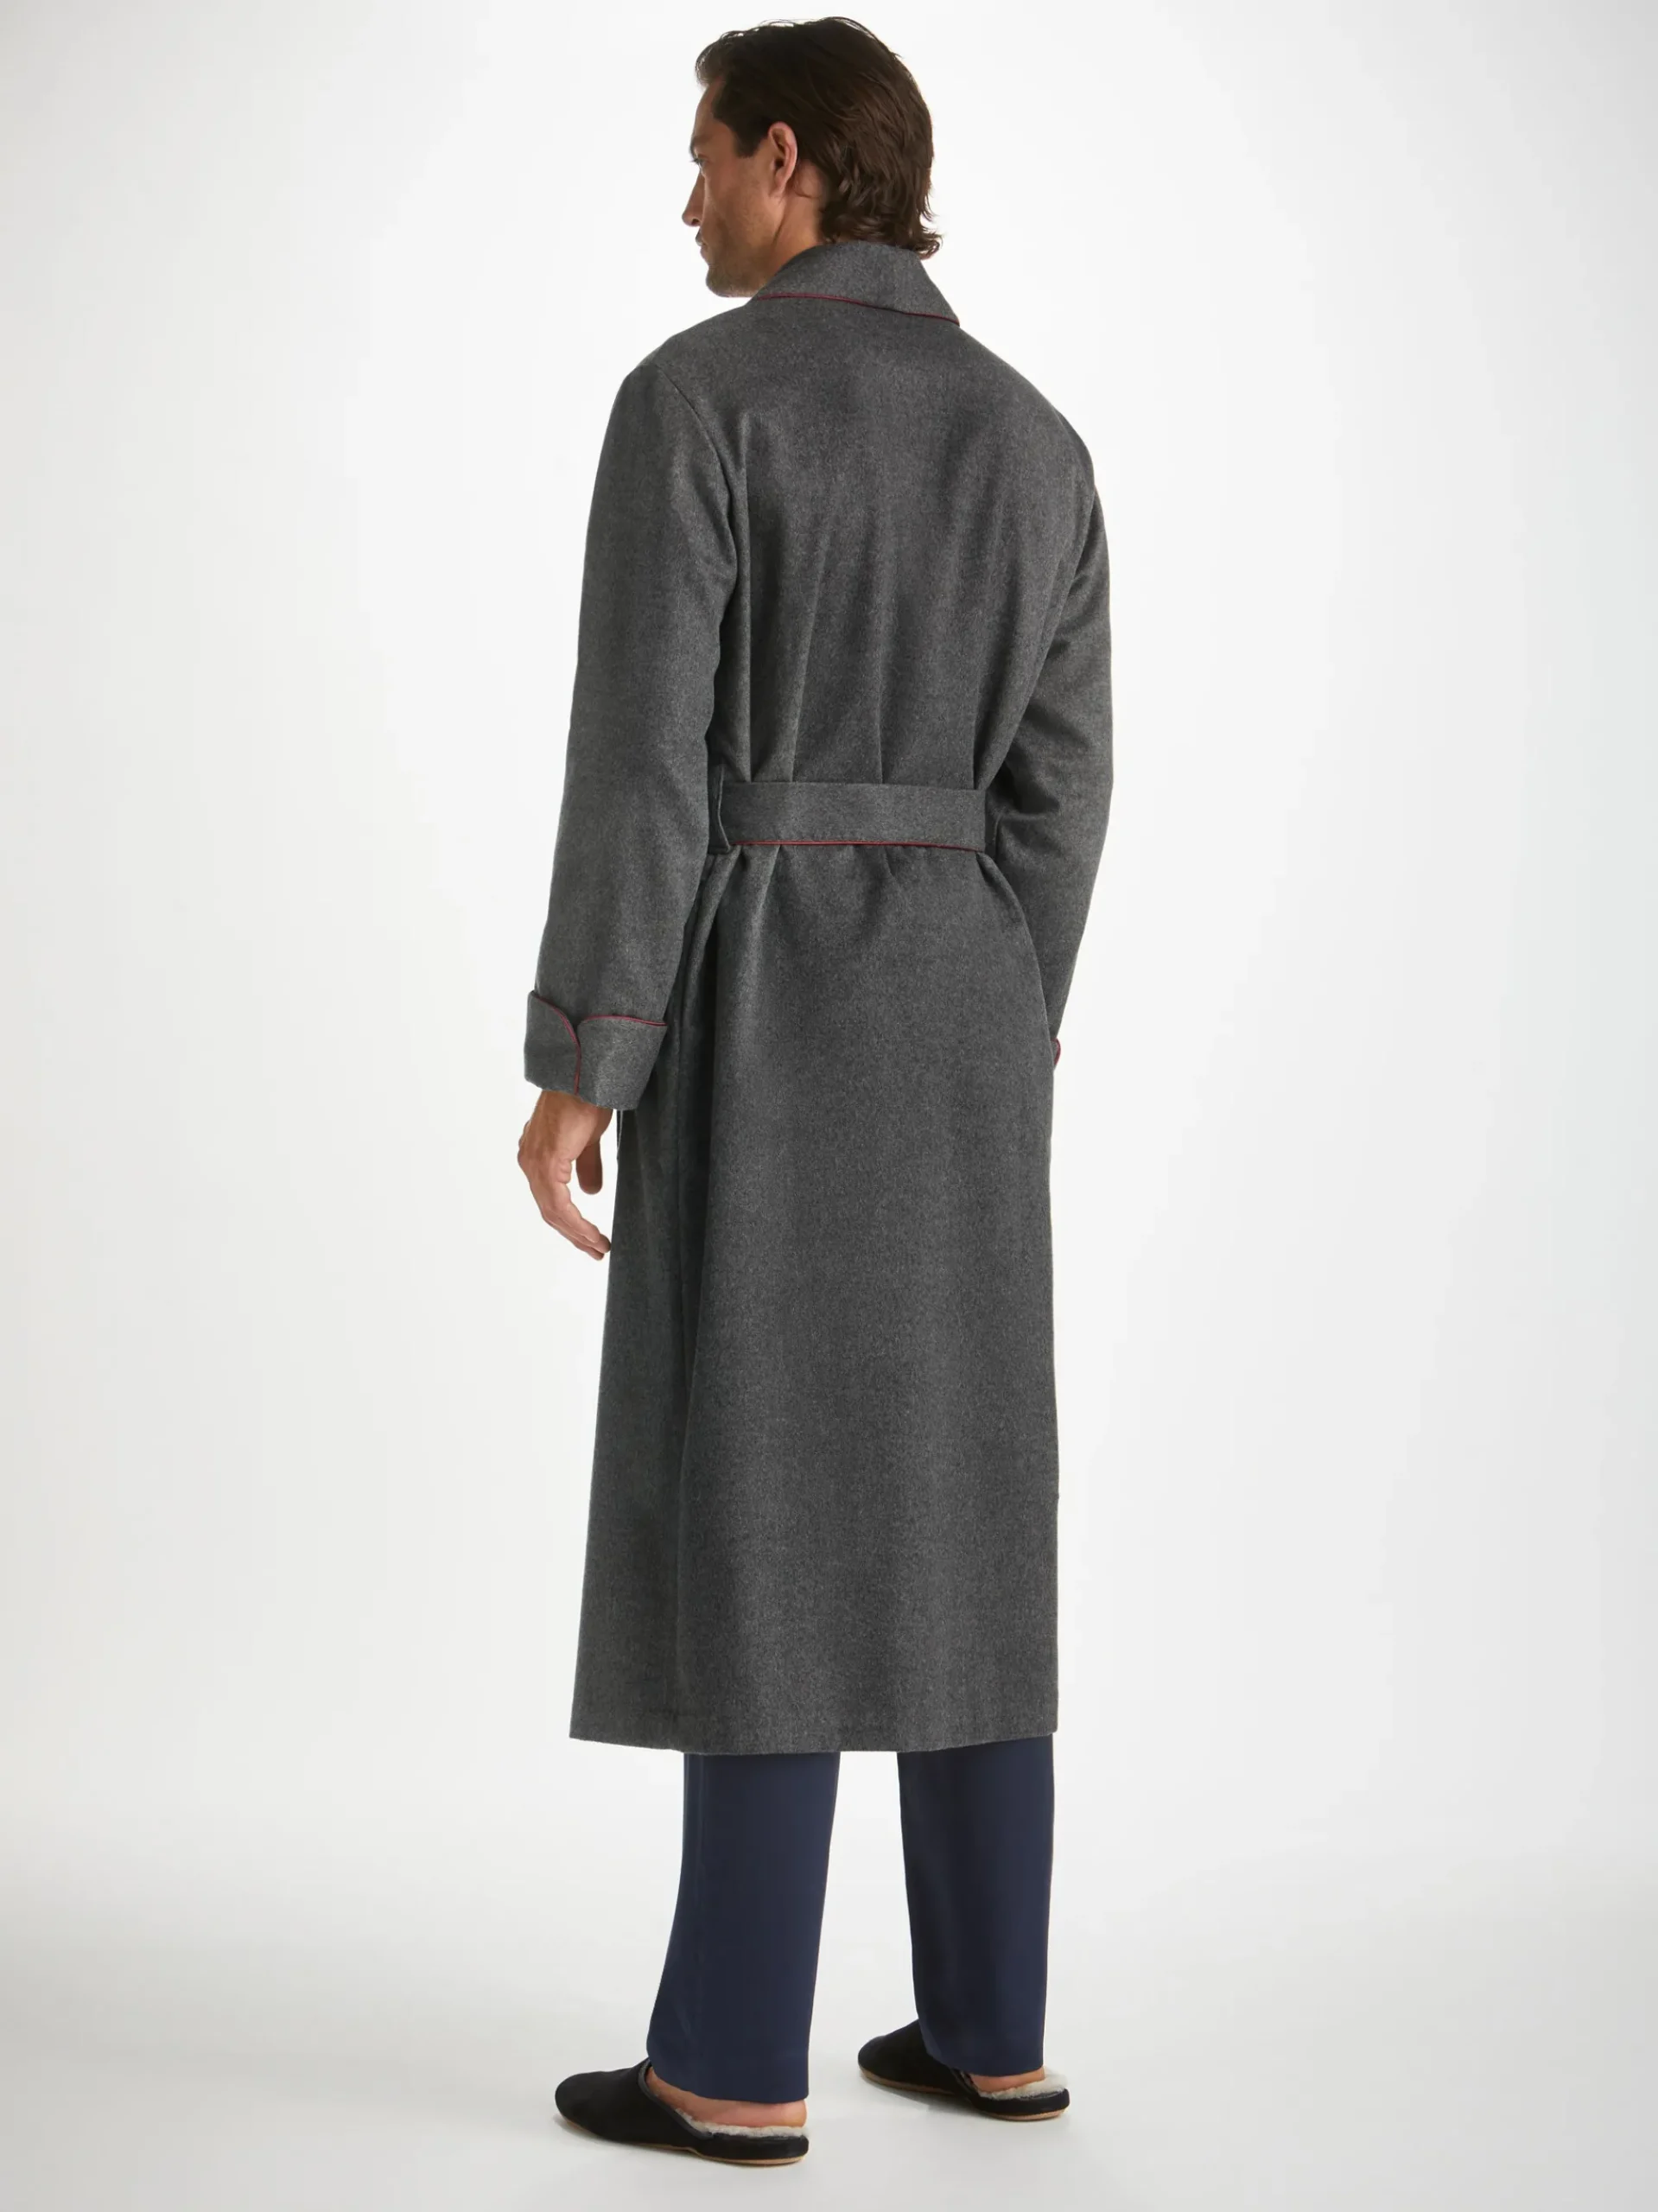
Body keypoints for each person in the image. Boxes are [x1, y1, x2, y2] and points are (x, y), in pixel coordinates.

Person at [517, 16, 1113, 2167]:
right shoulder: (1036, 440)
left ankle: (730, 2057)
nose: (684, 198)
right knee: (967, 1491)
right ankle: (990, 2026)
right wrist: (999, 1005)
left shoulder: (698, 400)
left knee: (762, 1482)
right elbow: (1062, 788)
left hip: (758, 978)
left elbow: (644, 769)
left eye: (701, 157)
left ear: (788, 158)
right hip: (961, 997)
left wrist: (586, 1054)